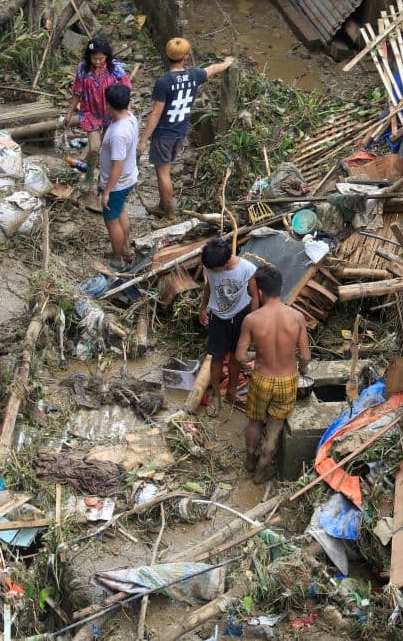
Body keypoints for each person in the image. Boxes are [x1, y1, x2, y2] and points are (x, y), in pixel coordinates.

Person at [138, 37, 235, 223]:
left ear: (168, 56)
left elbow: (156, 112)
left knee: (163, 174)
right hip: (180, 132)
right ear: (186, 57)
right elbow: (213, 69)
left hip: (164, 134)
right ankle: (162, 205)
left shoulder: (164, 82)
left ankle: (169, 215)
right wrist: (227, 63)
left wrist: (143, 139)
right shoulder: (194, 75)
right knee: (166, 169)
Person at [235, 264, 310, 482]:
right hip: (287, 380)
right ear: (281, 287)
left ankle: (249, 460)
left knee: (255, 422)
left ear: (259, 291)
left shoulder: (252, 320)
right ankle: (261, 470)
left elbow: (240, 357)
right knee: (274, 428)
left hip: (262, 379)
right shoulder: (297, 317)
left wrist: (256, 356)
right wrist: (303, 371)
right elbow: (305, 356)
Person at [64, 38, 132, 209]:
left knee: (108, 149)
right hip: (90, 112)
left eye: (101, 58)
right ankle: (89, 175)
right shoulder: (83, 69)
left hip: (111, 112)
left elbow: (126, 88)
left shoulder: (114, 67)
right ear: (89, 57)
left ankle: (106, 179)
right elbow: (77, 93)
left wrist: (126, 112)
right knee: (95, 148)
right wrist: (69, 113)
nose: (98, 62)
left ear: (106, 57)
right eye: (94, 58)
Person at [200, 238, 259, 415]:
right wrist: (203, 307)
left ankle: (231, 393)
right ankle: (216, 395)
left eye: (214, 269)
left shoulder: (246, 268)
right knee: (216, 357)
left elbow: (254, 295)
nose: (211, 271)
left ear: (226, 263)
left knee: (236, 357)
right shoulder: (210, 265)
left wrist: (253, 320)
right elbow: (208, 287)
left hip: (241, 316)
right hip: (218, 317)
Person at [99, 84, 139, 266]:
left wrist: (107, 191)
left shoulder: (117, 133)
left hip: (117, 183)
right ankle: (126, 250)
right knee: (121, 210)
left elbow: (117, 165)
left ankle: (117, 259)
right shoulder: (130, 118)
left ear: (109, 105)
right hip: (128, 178)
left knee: (111, 221)